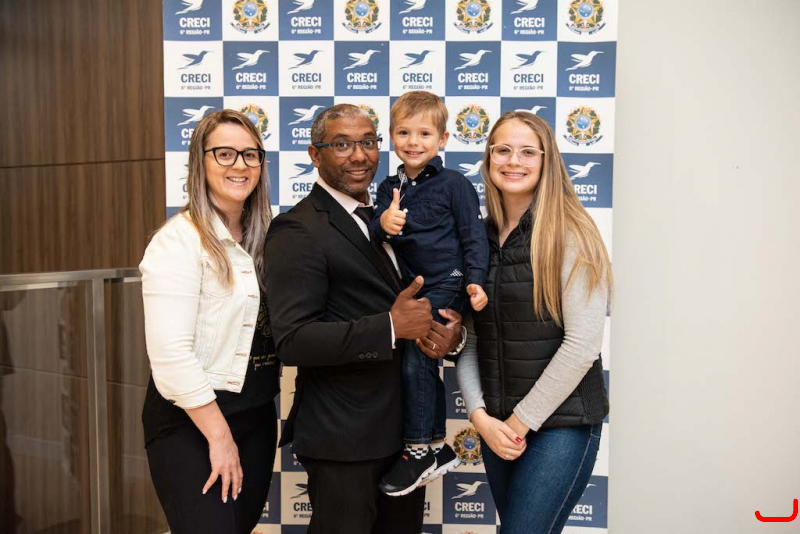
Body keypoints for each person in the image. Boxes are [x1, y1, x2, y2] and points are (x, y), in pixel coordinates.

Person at [264, 104, 465, 534]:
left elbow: (419, 304)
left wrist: (451, 337)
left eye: (368, 142)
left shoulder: (390, 218)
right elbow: (293, 340)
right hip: (344, 440)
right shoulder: (298, 229)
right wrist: (391, 327)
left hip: (406, 441)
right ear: (315, 154)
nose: (359, 155)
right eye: (342, 144)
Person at [455, 111, 611, 534]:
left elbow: (582, 344)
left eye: (527, 152)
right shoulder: (477, 239)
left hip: (561, 425)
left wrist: (519, 422)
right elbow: (471, 340)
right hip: (497, 426)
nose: (513, 161)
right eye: (502, 150)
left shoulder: (572, 232)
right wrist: (480, 417)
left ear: (546, 161)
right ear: (489, 159)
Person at [139, 109, 279, 534]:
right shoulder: (178, 242)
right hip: (190, 424)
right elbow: (171, 358)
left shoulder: (269, 238)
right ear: (199, 161)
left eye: (250, 154)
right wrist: (220, 438)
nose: (240, 165)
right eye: (224, 153)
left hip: (256, 416)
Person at [368, 91, 489, 496]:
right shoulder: (387, 188)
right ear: (391, 136)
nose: (413, 141)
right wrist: (384, 223)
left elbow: (474, 237)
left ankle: (419, 449)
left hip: (449, 282)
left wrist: (475, 281)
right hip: (411, 290)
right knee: (416, 358)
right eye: (404, 132)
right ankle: (436, 445)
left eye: (424, 133)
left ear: (443, 139)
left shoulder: (455, 184)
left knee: (419, 353)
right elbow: (374, 235)